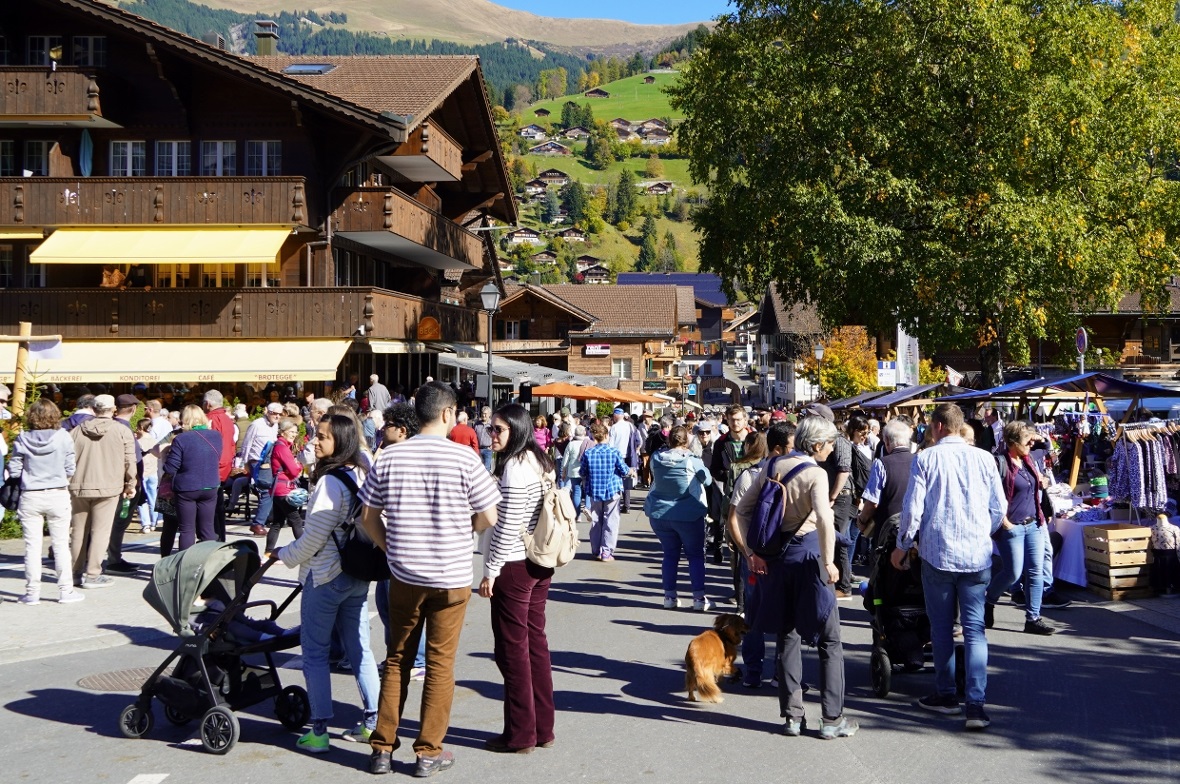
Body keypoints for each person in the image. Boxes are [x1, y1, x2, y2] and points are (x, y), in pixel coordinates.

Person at [358, 382, 501, 777]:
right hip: (451, 576)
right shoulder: (465, 458)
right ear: (447, 413)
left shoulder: (390, 456)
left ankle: (382, 748)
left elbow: (368, 517)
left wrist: (390, 547)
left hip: (405, 574)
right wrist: (464, 530)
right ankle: (427, 752)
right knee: (439, 664)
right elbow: (489, 515)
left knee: (397, 659)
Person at [731, 416, 857, 739]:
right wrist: (829, 562)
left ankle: (792, 716)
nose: (832, 449)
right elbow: (825, 519)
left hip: (776, 559)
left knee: (787, 636)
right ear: (816, 444)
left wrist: (751, 552)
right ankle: (831, 718)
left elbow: (742, 510)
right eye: (830, 443)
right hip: (810, 557)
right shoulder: (816, 473)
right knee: (830, 638)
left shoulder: (772, 466)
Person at [891, 403, 1005, 731]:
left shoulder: (926, 458)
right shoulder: (984, 458)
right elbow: (999, 507)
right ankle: (976, 704)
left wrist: (902, 546)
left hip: (938, 552)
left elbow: (913, 508)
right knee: (974, 630)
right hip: (976, 554)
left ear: (939, 426)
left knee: (941, 629)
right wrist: (982, 531)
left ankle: (946, 694)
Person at [275, 413, 381, 753]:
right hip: (357, 573)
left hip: (325, 575)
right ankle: (373, 724)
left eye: (323, 437)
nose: (315, 441)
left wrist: (282, 555)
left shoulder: (329, 484)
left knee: (315, 653)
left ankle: (319, 731)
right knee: (360, 649)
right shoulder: (363, 471)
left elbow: (312, 540)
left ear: (341, 441)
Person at [479, 403, 557, 754]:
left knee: (512, 651)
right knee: (535, 645)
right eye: (491, 428)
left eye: (499, 429)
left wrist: (490, 570)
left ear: (517, 430)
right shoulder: (539, 460)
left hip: (514, 563)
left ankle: (521, 734)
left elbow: (508, 524)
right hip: (539, 560)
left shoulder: (514, 466)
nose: (492, 435)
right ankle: (542, 729)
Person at [728, 421, 795, 688]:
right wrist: (748, 554)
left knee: (785, 614)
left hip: (784, 555)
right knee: (755, 614)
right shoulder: (751, 476)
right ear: (777, 449)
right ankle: (754, 671)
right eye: (792, 447)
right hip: (757, 556)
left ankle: (782, 672)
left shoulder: (797, 473)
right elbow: (734, 518)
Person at [983, 422, 1056, 635]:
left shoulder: (1028, 459)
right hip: (1011, 527)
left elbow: (1045, 450)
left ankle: (1033, 618)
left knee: (1035, 571)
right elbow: (988, 496)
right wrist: (1004, 522)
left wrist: (1042, 483)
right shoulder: (1000, 463)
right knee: (1013, 573)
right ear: (1013, 442)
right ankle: (989, 600)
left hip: (1034, 523)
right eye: (1027, 440)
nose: (1032, 444)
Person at [9, 399, 82, 605]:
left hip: (30, 495)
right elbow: (70, 467)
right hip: (57, 493)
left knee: (32, 547)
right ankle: (66, 591)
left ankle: (32, 593)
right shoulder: (63, 437)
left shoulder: (22, 438)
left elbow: (14, 469)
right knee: (60, 545)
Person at [68, 394, 136, 589]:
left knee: (78, 531)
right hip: (109, 487)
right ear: (113, 409)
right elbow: (129, 460)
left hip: (79, 485)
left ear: (94, 409)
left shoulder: (76, 431)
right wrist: (130, 483)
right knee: (101, 531)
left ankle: (74, 573)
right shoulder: (121, 431)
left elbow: (67, 458)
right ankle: (93, 574)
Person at [645, 425, 713, 611]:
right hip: (689, 514)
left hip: (660, 513)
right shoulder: (692, 460)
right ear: (687, 441)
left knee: (669, 554)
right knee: (695, 555)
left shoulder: (656, 458)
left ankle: (669, 597)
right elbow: (707, 480)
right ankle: (699, 599)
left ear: (669, 440)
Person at [162, 405, 223, 551]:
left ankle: (186, 562)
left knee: (187, 529)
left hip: (186, 488)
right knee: (207, 529)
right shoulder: (216, 436)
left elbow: (170, 468)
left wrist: (165, 454)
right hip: (210, 485)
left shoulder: (181, 439)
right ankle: (208, 560)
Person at [856, 419, 915, 549]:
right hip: (913, 529)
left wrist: (862, 520)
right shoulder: (919, 460)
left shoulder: (882, 464)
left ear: (887, 441)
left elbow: (872, 502)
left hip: (887, 530)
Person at [581, 421, 633, 562]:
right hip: (612, 490)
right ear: (606, 435)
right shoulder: (614, 452)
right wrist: (631, 471)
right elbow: (624, 470)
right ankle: (606, 552)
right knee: (611, 521)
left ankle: (596, 550)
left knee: (596, 521)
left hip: (594, 490)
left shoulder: (588, 453)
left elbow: (582, 472)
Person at [266, 418, 306, 553]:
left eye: (295, 432)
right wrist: (299, 465)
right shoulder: (282, 448)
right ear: (283, 432)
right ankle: (305, 552)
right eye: (291, 431)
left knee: (277, 522)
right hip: (284, 490)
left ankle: (268, 552)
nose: (294, 434)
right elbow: (294, 470)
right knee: (296, 520)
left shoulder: (279, 446)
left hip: (277, 489)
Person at [243, 402, 283, 537]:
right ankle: (258, 524)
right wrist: (244, 463)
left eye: (279, 414)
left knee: (271, 490)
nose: (277, 416)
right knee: (266, 490)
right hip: (257, 461)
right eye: (274, 413)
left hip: (270, 461)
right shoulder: (257, 424)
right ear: (267, 412)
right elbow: (247, 443)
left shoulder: (275, 426)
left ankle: (266, 519)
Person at [203, 389, 236, 541]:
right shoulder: (227, 419)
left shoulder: (210, 419)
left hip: (213, 466)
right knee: (218, 507)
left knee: (210, 509)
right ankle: (220, 538)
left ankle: (213, 539)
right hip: (225, 465)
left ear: (208, 404)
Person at [135, 418, 160, 534]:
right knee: (153, 497)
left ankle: (146, 524)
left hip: (142, 473)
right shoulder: (155, 441)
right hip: (153, 472)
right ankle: (154, 522)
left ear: (141, 428)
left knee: (142, 499)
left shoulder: (138, 442)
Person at [561, 424, 588, 512]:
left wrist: (563, 471)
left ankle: (577, 515)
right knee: (588, 491)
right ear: (584, 433)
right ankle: (587, 508)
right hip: (586, 471)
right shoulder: (588, 443)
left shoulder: (571, 444)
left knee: (576, 492)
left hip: (573, 471)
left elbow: (565, 460)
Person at [473, 406, 495, 472]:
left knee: (486, 468)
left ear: (489, 414)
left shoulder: (492, 424)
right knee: (477, 468)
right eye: (482, 413)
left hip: (488, 449)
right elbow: (473, 436)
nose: (483, 415)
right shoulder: (477, 424)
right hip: (478, 449)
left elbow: (495, 436)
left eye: (485, 414)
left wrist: (492, 446)